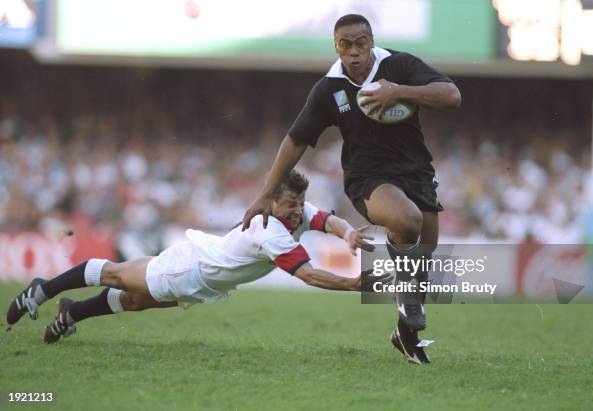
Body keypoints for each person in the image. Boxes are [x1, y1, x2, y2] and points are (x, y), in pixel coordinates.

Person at [242, 14, 461, 364]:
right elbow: (296, 140)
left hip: (417, 171)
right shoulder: (329, 89)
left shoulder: (400, 65)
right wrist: (266, 192)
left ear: (371, 41)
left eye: (360, 43)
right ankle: (407, 301)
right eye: (345, 45)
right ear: (336, 47)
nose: (354, 52)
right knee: (406, 221)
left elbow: (452, 96)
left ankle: (404, 334)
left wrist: (398, 92)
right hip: (368, 177)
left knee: (425, 250)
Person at [6, 171, 377, 344]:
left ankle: (71, 312)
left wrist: (347, 232)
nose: (298, 211)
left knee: (135, 302)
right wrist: (354, 283)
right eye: (290, 204)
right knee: (118, 276)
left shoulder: (295, 211)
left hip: (206, 282)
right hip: (191, 267)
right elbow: (309, 275)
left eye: (299, 203)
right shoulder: (271, 230)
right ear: (270, 201)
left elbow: (326, 219)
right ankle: (43, 289)